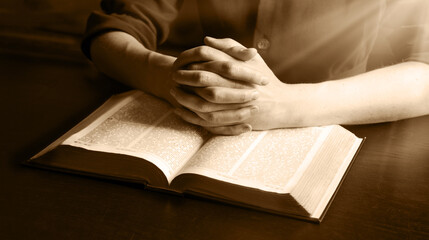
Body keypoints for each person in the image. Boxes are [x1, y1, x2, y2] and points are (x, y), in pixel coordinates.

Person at [82, 0, 429, 135]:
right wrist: (177, 79)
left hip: (337, 126)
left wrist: (286, 105)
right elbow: (111, 33)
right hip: (197, 120)